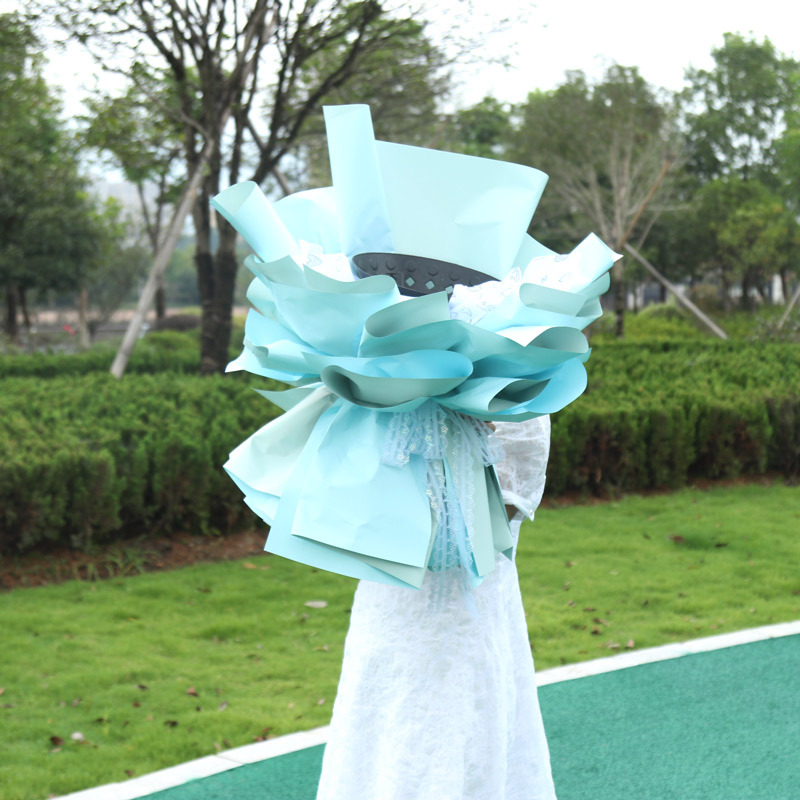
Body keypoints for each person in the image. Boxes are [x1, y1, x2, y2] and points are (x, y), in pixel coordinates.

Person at [316, 415, 557, 800]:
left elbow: (510, 497)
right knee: (382, 703)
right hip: (388, 590)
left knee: (460, 706)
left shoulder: (518, 378)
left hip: (469, 597)